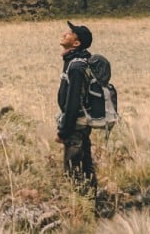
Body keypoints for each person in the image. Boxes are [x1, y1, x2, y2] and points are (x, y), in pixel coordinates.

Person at [55, 21, 97, 194]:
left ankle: (82, 209)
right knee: (86, 168)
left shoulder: (76, 67)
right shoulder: (77, 62)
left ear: (76, 43)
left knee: (74, 173)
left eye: (70, 33)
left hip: (75, 127)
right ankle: (92, 204)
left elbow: (73, 103)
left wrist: (63, 131)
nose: (65, 33)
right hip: (81, 125)